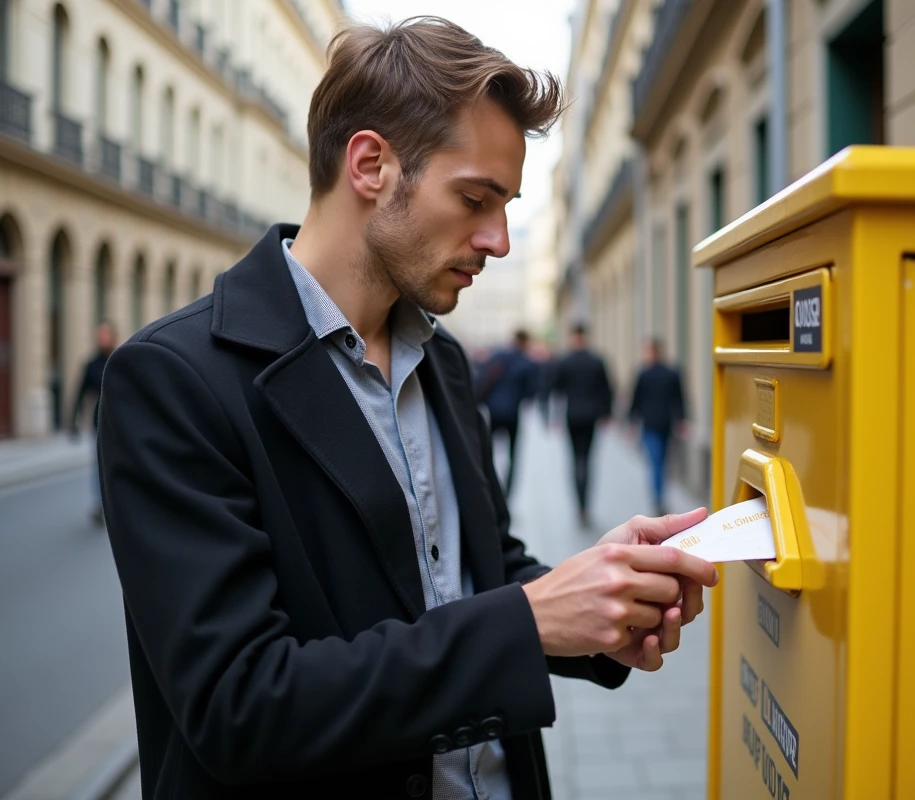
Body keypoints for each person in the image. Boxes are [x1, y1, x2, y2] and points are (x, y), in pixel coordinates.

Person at [97, 18, 718, 800]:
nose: (497, 241)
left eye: (508, 206)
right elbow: (240, 706)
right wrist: (531, 620)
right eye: (474, 198)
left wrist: (600, 595)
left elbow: (472, 574)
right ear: (370, 165)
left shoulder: (442, 359)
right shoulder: (174, 379)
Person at [551, 323, 614, 528]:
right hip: (591, 416)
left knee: (575, 459)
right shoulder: (596, 360)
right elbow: (606, 389)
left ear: (572, 337)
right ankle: (585, 506)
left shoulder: (565, 361)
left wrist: (554, 416)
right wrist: (606, 413)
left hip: (573, 416)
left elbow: (556, 388)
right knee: (587, 459)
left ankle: (580, 506)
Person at [475, 329, 539, 494]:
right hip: (512, 414)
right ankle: (507, 493)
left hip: (494, 412)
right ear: (525, 342)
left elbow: (482, 378)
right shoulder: (525, 362)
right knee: (513, 455)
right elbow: (531, 391)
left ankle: (490, 488)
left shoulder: (498, 356)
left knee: (489, 453)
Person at [628, 338, 686, 517]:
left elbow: (635, 401)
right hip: (665, 423)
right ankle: (660, 496)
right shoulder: (672, 372)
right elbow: (679, 399)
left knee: (655, 462)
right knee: (661, 461)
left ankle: (658, 497)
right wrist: (681, 419)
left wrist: (631, 422)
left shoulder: (643, 374)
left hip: (651, 425)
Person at [69, 320, 116, 527]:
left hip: (119, 422)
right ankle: (100, 504)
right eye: (100, 334)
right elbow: (80, 393)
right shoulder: (91, 364)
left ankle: (116, 502)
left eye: (106, 334)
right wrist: (73, 420)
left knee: (116, 462)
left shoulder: (119, 359)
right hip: (99, 421)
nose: (103, 338)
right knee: (98, 464)